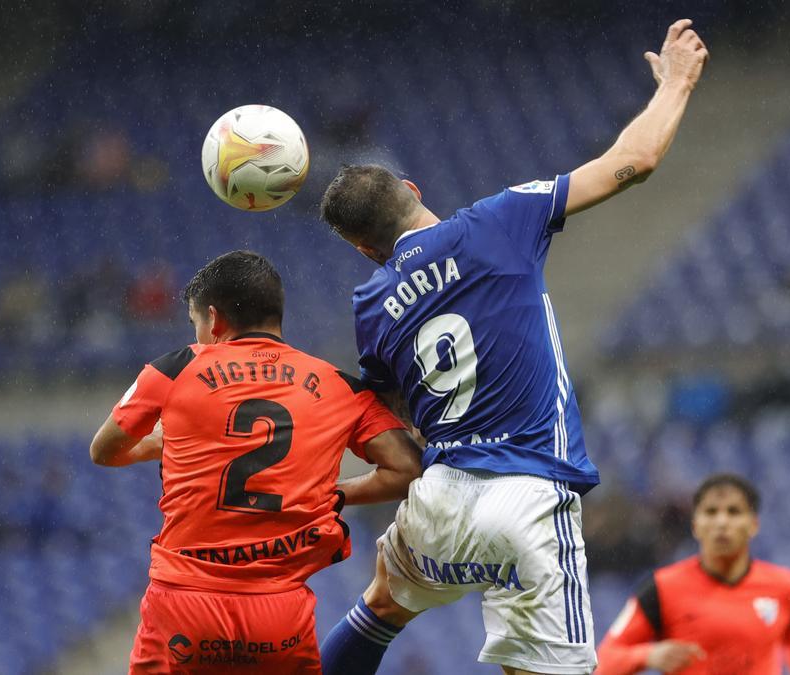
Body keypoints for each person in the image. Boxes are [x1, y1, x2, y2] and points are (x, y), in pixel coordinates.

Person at [316, 18, 709, 675]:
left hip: (441, 497)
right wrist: (677, 83)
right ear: (412, 192)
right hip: (528, 491)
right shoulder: (498, 219)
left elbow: (397, 413)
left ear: (363, 247)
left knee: (381, 605)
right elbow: (631, 163)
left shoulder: (371, 305)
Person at [89, 250, 422, 673]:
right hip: (278, 614)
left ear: (214, 318)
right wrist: (331, 496)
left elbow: (104, 450)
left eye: (197, 324)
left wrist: (160, 443)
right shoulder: (339, 385)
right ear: (276, 314)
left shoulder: (178, 366)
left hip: (184, 607)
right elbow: (407, 469)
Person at [596, 474, 790, 674]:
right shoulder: (663, 587)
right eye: (711, 512)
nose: (721, 522)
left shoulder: (784, 586)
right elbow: (606, 659)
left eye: (734, 512)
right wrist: (647, 655)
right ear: (695, 525)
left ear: (753, 524)